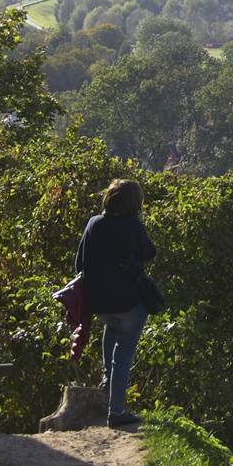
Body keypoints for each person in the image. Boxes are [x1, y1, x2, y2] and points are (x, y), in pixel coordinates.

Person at [74, 178, 157, 429]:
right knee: (123, 354)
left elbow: (80, 263)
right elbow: (149, 253)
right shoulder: (133, 226)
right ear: (135, 203)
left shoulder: (93, 224)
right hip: (129, 302)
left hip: (99, 302)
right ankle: (116, 411)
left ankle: (107, 384)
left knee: (110, 333)